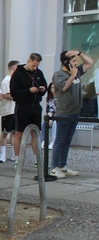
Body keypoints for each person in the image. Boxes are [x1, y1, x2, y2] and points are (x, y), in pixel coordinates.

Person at [50, 50, 93, 178]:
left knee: (67, 140)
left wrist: (79, 53)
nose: (76, 63)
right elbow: (63, 88)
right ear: (65, 63)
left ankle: (63, 165)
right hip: (65, 112)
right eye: (73, 61)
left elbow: (90, 62)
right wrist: (72, 76)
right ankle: (54, 167)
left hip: (75, 111)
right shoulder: (58, 74)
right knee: (60, 140)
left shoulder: (77, 71)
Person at [10, 53, 48, 170]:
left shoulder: (39, 73)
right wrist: (28, 91)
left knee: (35, 133)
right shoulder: (18, 74)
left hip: (35, 106)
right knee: (19, 133)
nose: (35, 68)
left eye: (37, 66)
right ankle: (17, 159)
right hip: (22, 106)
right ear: (28, 61)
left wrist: (42, 89)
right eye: (33, 65)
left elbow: (44, 85)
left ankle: (38, 159)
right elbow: (14, 92)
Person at [0, 60, 19, 163]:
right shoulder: (7, 81)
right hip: (8, 110)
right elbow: (7, 95)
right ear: (14, 68)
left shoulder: (16, 80)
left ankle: (15, 154)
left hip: (16, 109)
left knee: (15, 132)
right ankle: (2, 154)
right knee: (5, 132)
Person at [42, 82, 57, 150]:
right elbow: (48, 109)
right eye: (52, 88)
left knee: (54, 123)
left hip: (58, 117)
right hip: (51, 117)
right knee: (44, 124)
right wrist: (49, 117)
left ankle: (53, 141)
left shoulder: (59, 99)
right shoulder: (49, 99)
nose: (53, 89)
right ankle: (43, 141)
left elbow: (58, 111)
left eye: (54, 87)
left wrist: (52, 118)